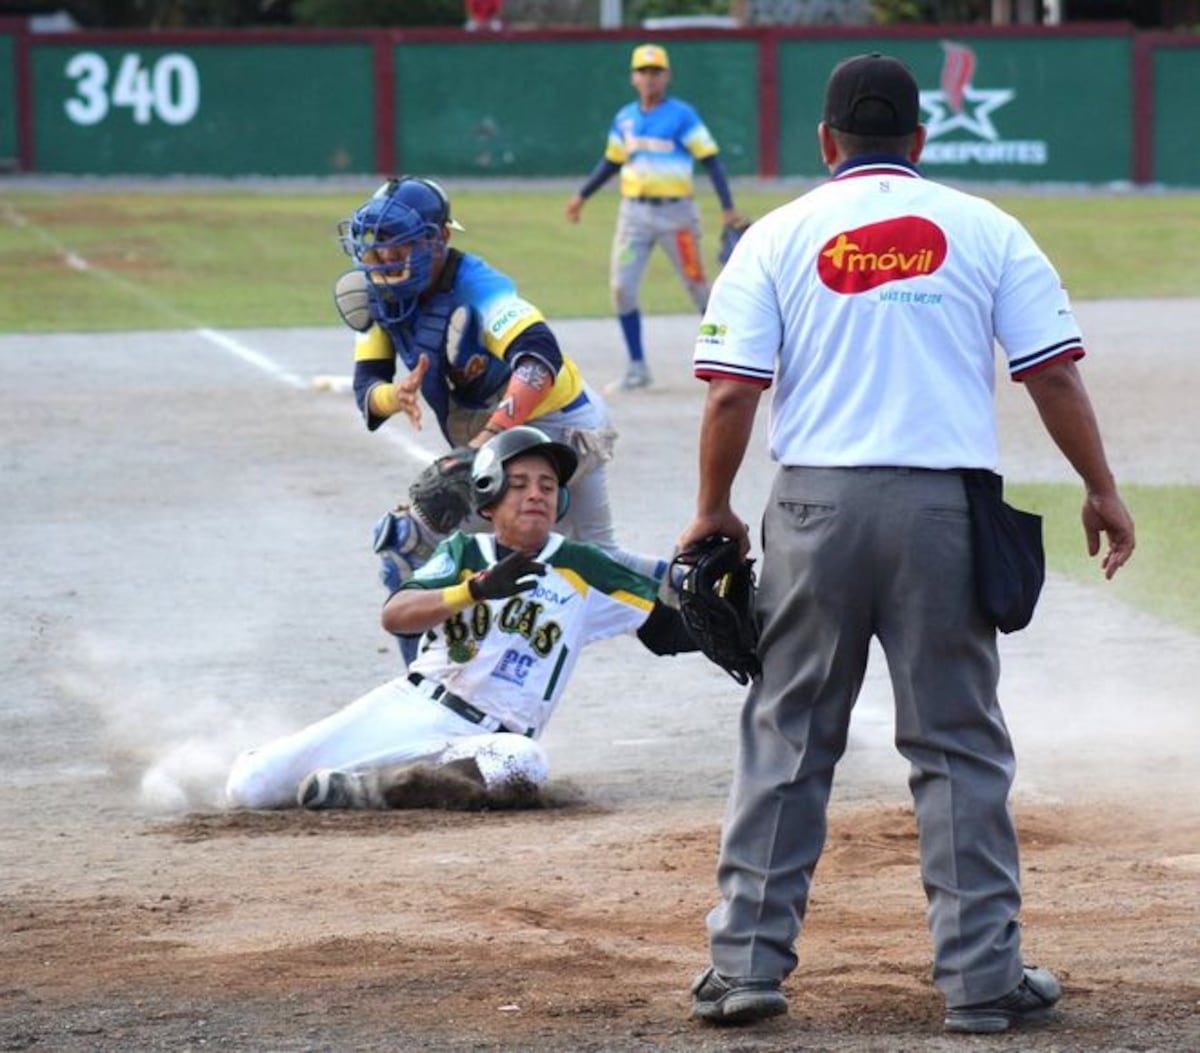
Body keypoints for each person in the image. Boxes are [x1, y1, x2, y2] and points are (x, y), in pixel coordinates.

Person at [677, 53, 1136, 1034]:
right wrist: (1101, 489)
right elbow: (1052, 377)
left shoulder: (777, 236)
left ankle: (748, 966)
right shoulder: (990, 229)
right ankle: (980, 980)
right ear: (921, 142)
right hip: (942, 516)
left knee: (789, 737)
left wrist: (713, 508)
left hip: (813, 514)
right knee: (958, 746)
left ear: (826, 142)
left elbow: (730, 392)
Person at [225, 426, 696, 811]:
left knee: (524, 765)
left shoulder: (583, 566)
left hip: (486, 744)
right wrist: (474, 589)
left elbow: (666, 631)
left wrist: (760, 625)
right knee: (250, 785)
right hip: (412, 707)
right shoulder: (465, 551)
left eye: (548, 487)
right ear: (488, 498)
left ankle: (374, 790)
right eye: (519, 484)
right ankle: (359, 783)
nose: (536, 495)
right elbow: (397, 616)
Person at [337, 174, 666, 592]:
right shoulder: (380, 292)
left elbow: (538, 356)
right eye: (375, 239)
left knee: (410, 545)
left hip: (556, 424)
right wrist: (394, 396)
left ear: (437, 239)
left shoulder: (477, 286)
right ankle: (695, 585)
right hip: (518, 431)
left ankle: (437, 661)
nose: (381, 252)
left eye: (397, 238)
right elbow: (367, 388)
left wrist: (481, 449)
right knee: (598, 565)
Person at [565, 43, 747, 393]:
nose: (650, 78)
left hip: (677, 216)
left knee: (699, 289)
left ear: (667, 76)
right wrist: (582, 196)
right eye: (643, 72)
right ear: (634, 77)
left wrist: (727, 206)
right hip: (633, 216)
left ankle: (731, 361)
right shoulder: (625, 118)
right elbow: (612, 162)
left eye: (656, 71)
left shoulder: (683, 116)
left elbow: (711, 160)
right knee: (622, 289)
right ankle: (637, 368)